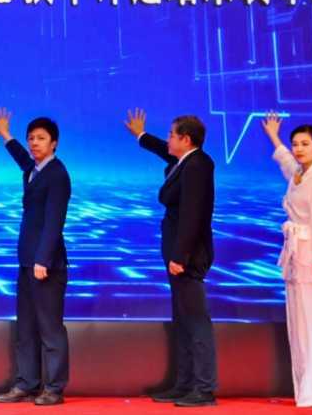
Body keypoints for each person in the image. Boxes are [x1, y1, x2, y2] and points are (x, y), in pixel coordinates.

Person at [124, 109, 217, 407]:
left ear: (186, 139)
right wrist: (141, 135)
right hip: (178, 255)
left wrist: (180, 256)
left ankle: (203, 388)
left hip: (187, 257)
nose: (168, 140)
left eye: (171, 135)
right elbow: (164, 153)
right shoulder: (185, 161)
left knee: (196, 322)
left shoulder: (198, 165)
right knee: (183, 321)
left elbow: (192, 214)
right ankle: (184, 384)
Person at [0, 109, 71, 406]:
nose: (34, 143)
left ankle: (54, 388)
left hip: (45, 265)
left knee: (50, 329)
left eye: (41, 139)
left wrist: (42, 260)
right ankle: (26, 383)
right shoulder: (34, 170)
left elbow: (54, 221)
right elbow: (23, 159)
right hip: (26, 262)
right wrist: (6, 136)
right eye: (31, 138)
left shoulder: (58, 174)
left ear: (54, 143)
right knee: (25, 328)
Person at [261, 113, 312, 407]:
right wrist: (274, 137)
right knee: (300, 327)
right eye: (295, 144)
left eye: (305, 144)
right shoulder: (300, 174)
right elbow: (286, 163)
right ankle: (307, 390)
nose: (298, 149)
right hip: (297, 256)